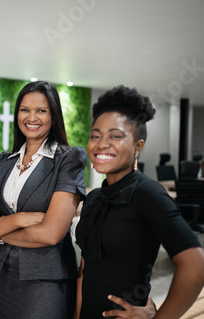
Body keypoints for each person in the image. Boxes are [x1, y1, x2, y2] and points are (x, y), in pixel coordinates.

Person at [75, 85, 204, 318]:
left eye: (116, 136)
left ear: (138, 146)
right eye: (95, 135)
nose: (101, 144)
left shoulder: (147, 193)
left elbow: (196, 265)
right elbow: (85, 271)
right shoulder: (94, 198)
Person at [0, 81, 87, 318]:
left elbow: (51, 234)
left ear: (54, 116)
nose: (31, 117)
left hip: (45, 281)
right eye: (25, 109)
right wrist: (22, 218)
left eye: (41, 110)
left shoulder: (68, 159)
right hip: (1, 277)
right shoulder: (4, 162)